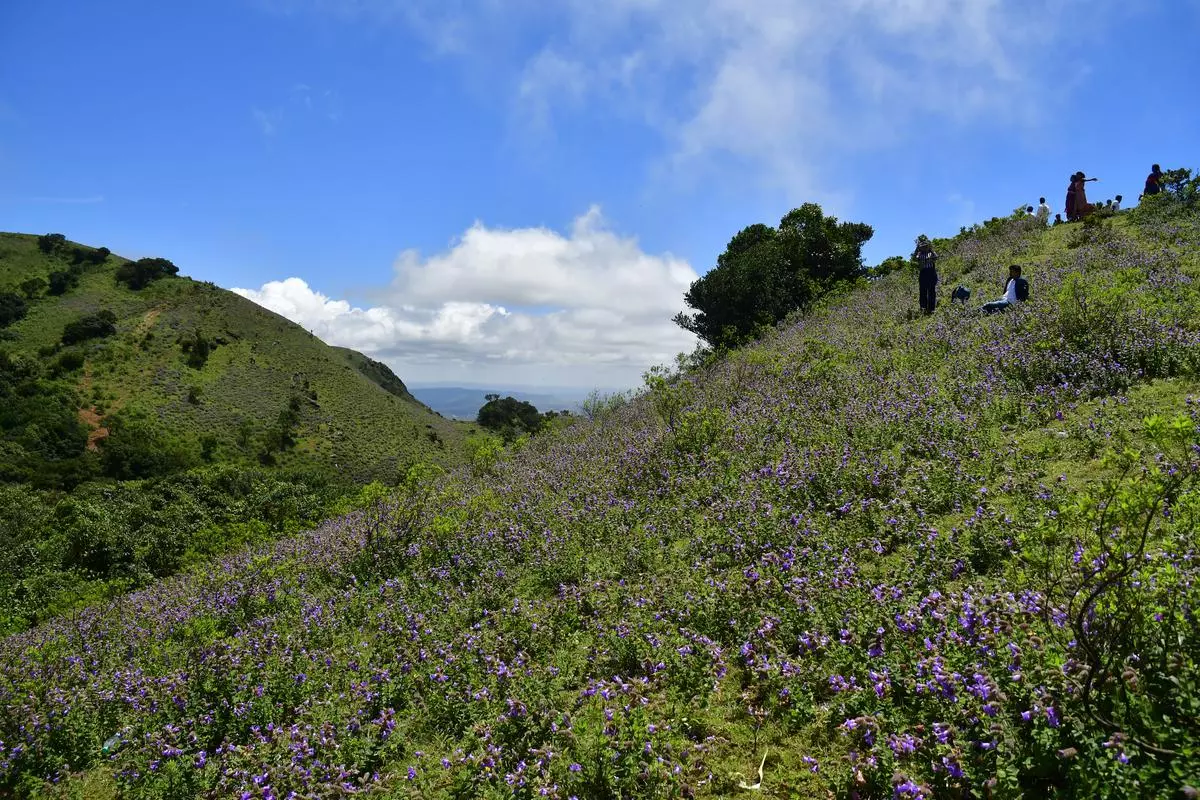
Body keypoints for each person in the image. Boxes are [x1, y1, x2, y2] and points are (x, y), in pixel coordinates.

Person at [913, 236, 938, 314]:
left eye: (925, 246)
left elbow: (936, 257)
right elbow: (915, 257)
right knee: (923, 292)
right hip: (923, 274)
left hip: (931, 273)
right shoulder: (919, 254)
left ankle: (931, 309)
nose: (924, 248)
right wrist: (917, 249)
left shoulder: (931, 253)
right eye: (923, 247)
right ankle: (923, 308)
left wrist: (931, 250)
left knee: (931, 291)